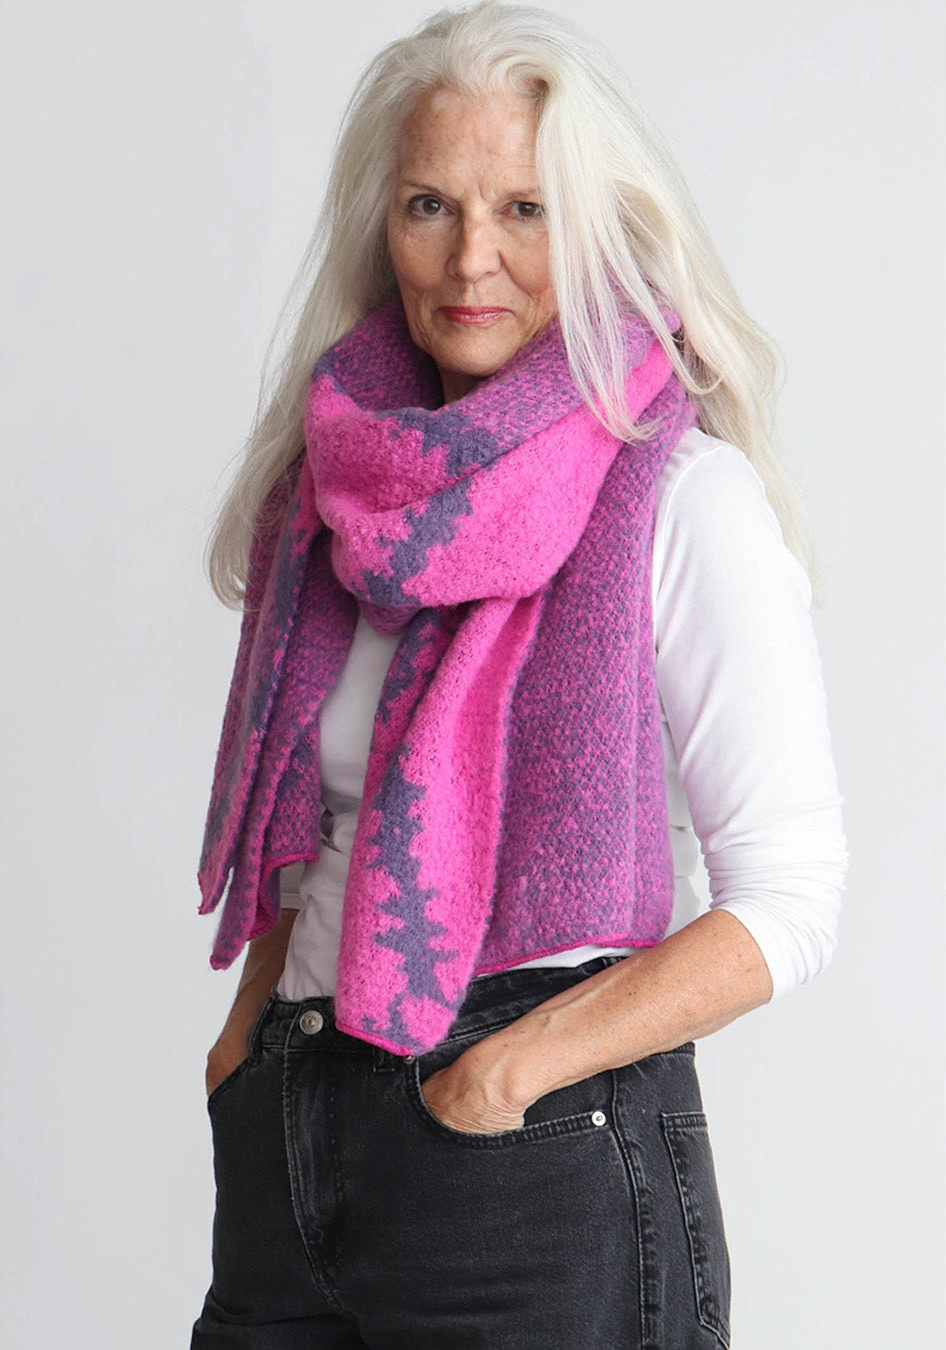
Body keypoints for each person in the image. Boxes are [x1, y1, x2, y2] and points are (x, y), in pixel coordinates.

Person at [189, 3, 849, 1346]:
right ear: (384, 223)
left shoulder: (683, 499)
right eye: (430, 205)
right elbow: (320, 820)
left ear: (599, 224)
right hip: (296, 1134)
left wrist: (502, 1077)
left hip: (530, 1151)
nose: (471, 257)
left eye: (527, 210)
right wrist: (249, 1035)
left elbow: (791, 896)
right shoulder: (335, 498)